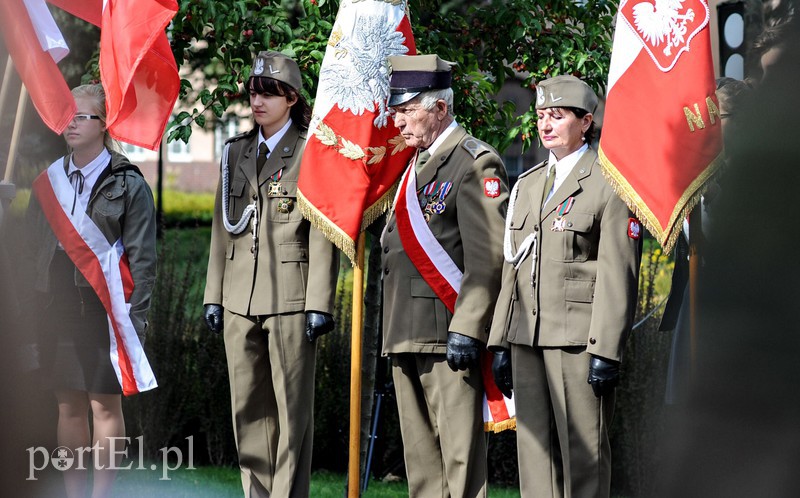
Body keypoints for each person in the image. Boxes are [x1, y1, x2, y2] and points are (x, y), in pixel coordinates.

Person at [488, 75, 641, 498]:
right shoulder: (528, 184)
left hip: (578, 341)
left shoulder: (610, 183)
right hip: (526, 339)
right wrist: (500, 340)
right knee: (534, 455)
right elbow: (513, 267)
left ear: (586, 121)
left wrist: (606, 350)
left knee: (583, 456)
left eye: (556, 116)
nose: (545, 124)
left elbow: (618, 272)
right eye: (540, 116)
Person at [202, 51, 339, 498]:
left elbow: (322, 231)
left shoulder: (311, 151)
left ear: (291, 98)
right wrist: (213, 295)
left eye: (268, 93)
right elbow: (221, 230)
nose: (257, 101)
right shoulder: (235, 151)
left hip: (291, 299)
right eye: (253, 93)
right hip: (239, 297)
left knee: (291, 411)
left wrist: (320, 302)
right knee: (247, 410)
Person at [380, 54, 509, 497]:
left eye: (406, 110)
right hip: (405, 330)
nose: (398, 122)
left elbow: (488, 257)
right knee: (422, 467)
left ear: (439, 108)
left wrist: (469, 328)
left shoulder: (474, 163)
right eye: (396, 111)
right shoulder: (414, 166)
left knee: (459, 461)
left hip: (446, 333)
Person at [23, 84, 157, 498]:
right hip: (57, 305)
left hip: (104, 308)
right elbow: (30, 250)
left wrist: (136, 322)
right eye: (68, 115)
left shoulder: (129, 183)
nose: (72, 123)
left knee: (104, 405)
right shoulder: (48, 181)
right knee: (68, 405)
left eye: (82, 116)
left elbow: (144, 260)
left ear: (104, 124)